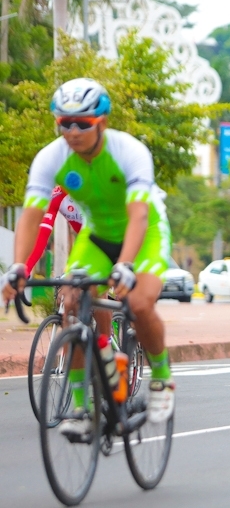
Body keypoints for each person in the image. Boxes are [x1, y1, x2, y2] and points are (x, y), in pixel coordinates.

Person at [1, 78, 174, 434]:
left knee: (139, 303)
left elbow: (139, 216)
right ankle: (84, 409)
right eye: (65, 122)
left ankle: (162, 376)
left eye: (83, 123)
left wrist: (125, 265)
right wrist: (18, 266)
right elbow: (32, 217)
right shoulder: (51, 157)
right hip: (96, 236)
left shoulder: (129, 151)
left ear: (103, 122)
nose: (73, 131)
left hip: (145, 233)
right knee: (72, 303)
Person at [25, 185, 83, 276]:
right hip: (89, 239)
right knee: (68, 286)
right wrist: (25, 270)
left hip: (110, 234)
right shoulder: (56, 196)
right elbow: (42, 235)